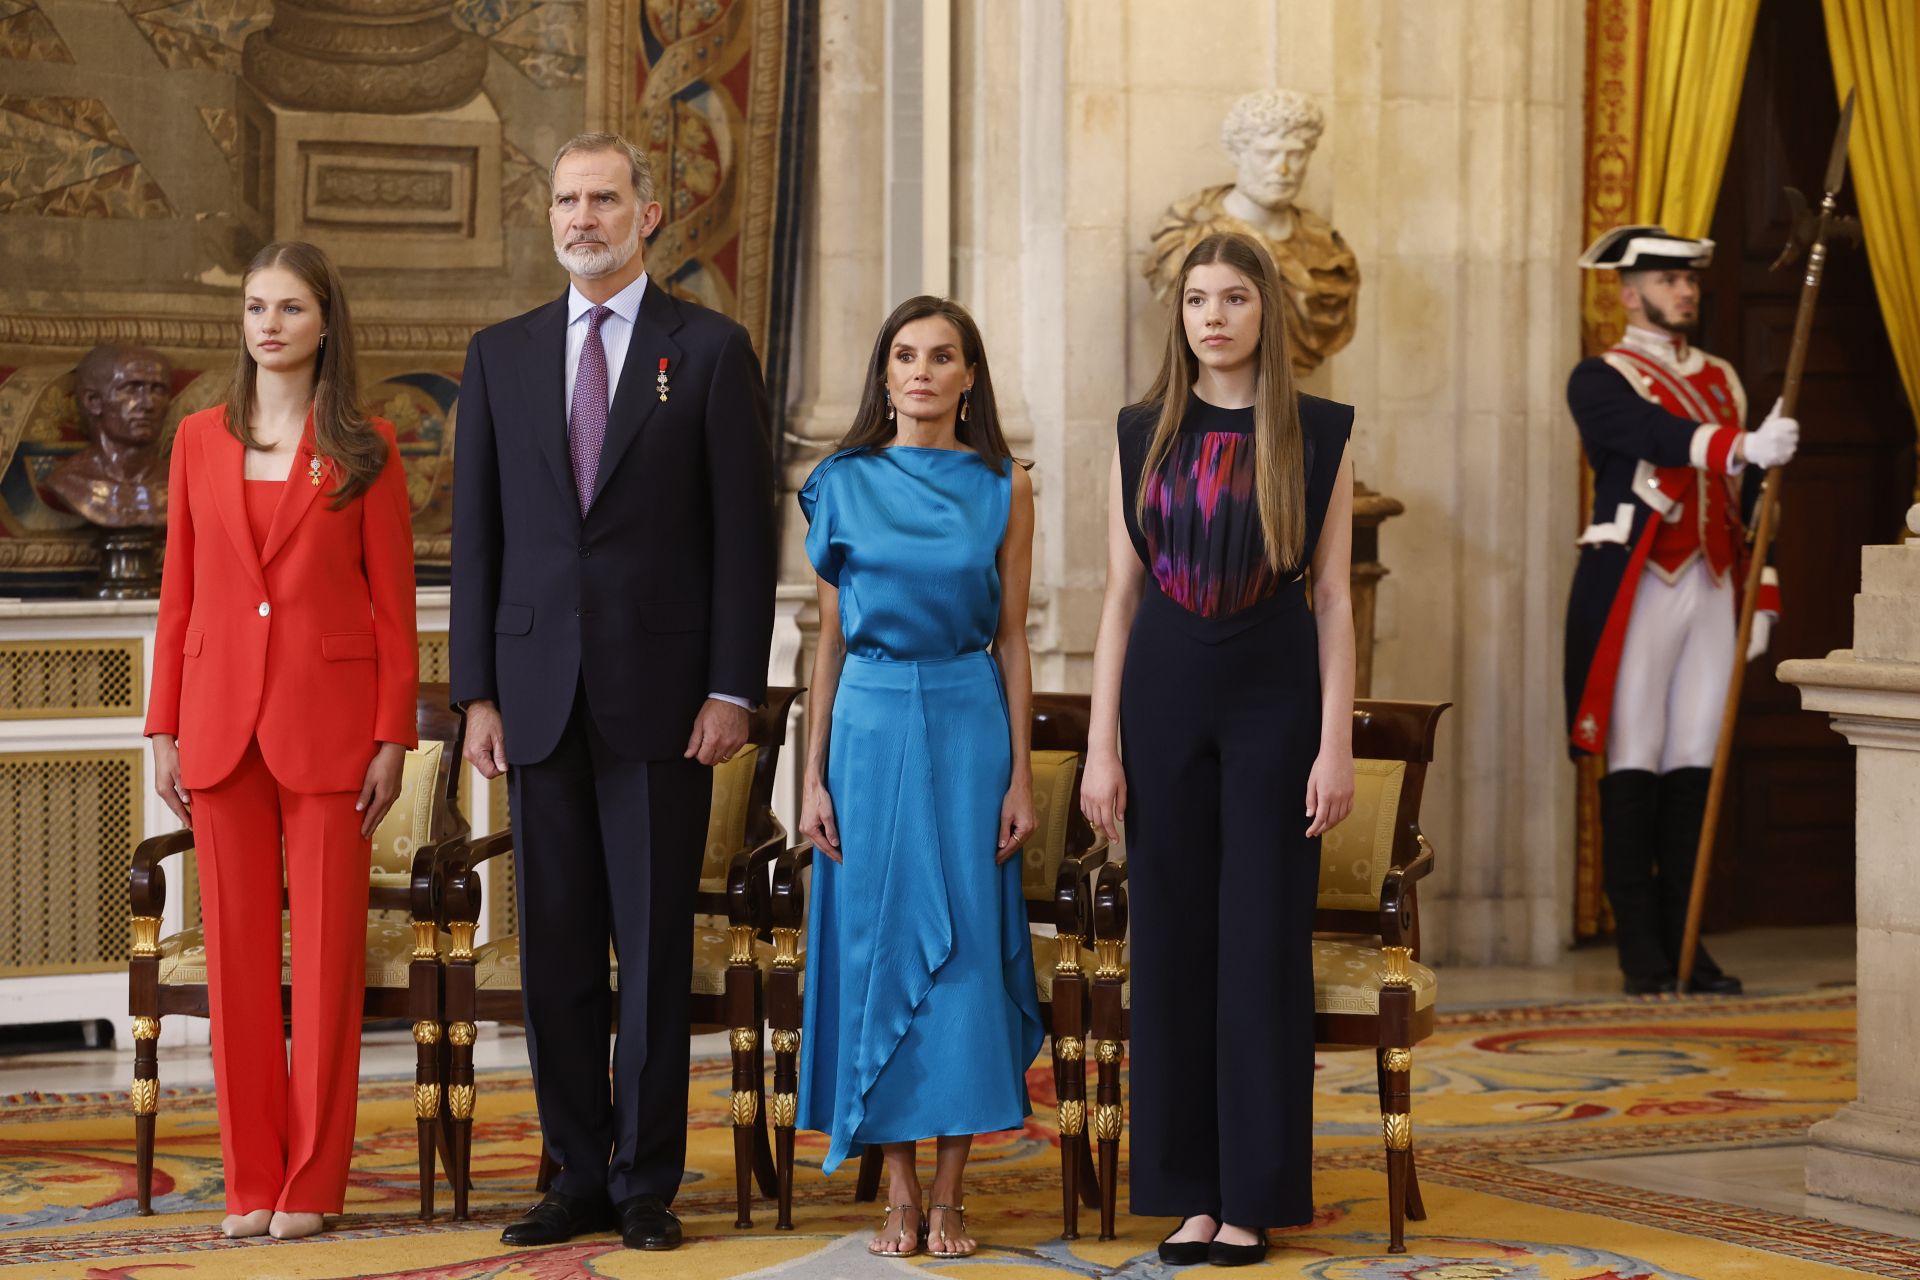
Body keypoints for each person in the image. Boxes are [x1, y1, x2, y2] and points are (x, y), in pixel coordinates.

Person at [450, 132, 776, 1252]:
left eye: (604, 198)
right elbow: (477, 541)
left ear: (648, 215)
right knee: (554, 950)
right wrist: (475, 692)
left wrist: (736, 685)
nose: (582, 216)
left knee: (652, 946)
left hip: (665, 696)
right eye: (566, 198)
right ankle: (574, 1174)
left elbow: (746, 536)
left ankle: (646, 1182)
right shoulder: (500, 354)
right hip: (534, 695)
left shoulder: (714, 351)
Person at [1081, 231, 1355, 1267]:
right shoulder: (1139, 428)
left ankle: (1255, 1193)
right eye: (1198, 297)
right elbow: (1119, 595)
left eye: (1234, 297)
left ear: (1262, 313)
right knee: (1176, 944)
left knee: (1260, 945)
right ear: (1180, 313)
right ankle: (1189, 1191)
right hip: (1163, 692)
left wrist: (1335, 745)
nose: (1213, 315)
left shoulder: (1319, 433)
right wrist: (1102, 746)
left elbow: (1331, 598)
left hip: (1276, 696)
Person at [145, 240, 418, 1241]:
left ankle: (311, 1179)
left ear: (324, 323)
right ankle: (249, 1176)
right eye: (257, 305)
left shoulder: (368, 446)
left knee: (331, 963)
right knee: (238, 970)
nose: (269, 322)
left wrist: (393, 732)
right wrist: (162, 723)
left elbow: (394, 605)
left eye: (291, 307)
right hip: (216, 728)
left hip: (332, 730)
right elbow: (180, 596)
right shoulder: (197, 442)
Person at [794, 295, 1044, 1261]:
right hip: (864, 724)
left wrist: (1022, 774)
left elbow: (1014, 639)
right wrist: (810, 778)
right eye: (906, 356)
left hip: (969, 725)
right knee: (871, 947)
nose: (923, 372)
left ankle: (951, 1190)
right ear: (885, 372)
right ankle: (894, 1187)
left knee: (969, 957)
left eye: (944, 357)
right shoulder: (839, 482)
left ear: (970, 375)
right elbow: (828, 641)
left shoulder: (1007, 486)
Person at [1566, 225, 1799, 996]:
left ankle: (1689, 943)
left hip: (1715, 585)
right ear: (1630, 294)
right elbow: (1649, 436)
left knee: (1696, 756)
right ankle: (1643, 950)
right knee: (1636, 750)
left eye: (1690, 281)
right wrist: (1739, 447)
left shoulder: (1724, 378)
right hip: (1641, 583)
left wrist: (1761, 596)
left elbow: (1753, 505)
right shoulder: (1600, 377)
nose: (1686, 292)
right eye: (1669, 281)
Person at [1143, 89, 1360, 375]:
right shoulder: (1184, 236)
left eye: (1295, 155)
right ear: (1237, 154)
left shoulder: (1329, 248)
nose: (1283, 169)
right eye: (1267, 154)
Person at [45, 343, 174, 527]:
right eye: (131, 389)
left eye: (158, 390)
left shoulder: (180, 484)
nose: (148, 404)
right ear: (94, 401)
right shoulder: (70, 482)